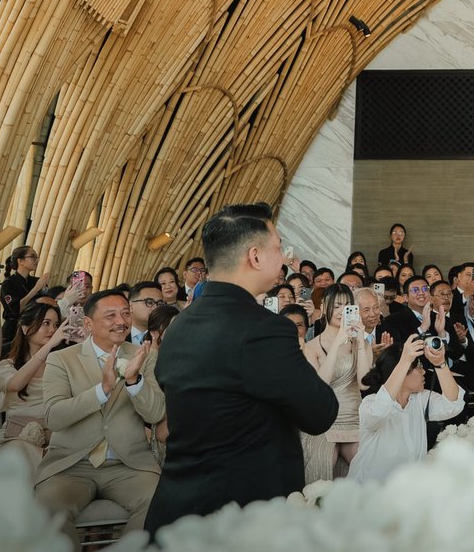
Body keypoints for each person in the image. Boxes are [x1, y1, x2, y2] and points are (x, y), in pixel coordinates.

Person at [145, 203, 338, 533]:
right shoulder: (264, 329)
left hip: (179, 506)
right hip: (241, 518)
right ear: (255, 256)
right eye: (278, 247)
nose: (282, 258)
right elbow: (320, 413)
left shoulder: (179, 326)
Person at [33, 288, 162, 552]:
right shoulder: (61, 359)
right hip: (71, 464)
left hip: (129, 465)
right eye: (111, 315)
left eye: (125, 314)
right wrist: (101, 391)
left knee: (161, 501)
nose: (121, 321)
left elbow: (155, 414)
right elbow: (54, 417)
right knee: (48, 509)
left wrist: (134, 381)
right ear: (88, 323)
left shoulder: (144, 356)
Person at [348, 337, 464, 481]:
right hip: (370, 489)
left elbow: (452, 406)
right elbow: (379, 413)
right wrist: (405, 360)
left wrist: (440, 364)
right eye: (418, 366)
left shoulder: (420, 399)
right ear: (401, 373)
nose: (423, 372)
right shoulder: (370, 404)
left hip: (406, 488)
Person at [301, 286, 375, 482]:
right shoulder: (311, 347)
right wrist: (337, 342)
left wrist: (360, 343)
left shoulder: (363, 344)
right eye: (337, 306)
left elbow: (364, 385)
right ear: (324, 306)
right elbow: (320, 385)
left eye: (348, 306)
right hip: (325, 420)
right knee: (323, 463)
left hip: (354, 419)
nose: (342, 311)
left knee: (366, 465)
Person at [0, 302, 74, 475]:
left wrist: (84, 343)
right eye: (46, 323)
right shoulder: (8, 365)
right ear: (25, 328)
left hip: (54, 437)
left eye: (56, 325)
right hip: (17, 436)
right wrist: (49, 346)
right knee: (18, 451)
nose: (52, 330)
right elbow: (15, 385)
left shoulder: (61, 364)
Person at [0, 246, 44, 348]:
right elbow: (16, 309)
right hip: (13, 331)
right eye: (32, 256)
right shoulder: (8, 283)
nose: (36, 260)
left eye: (37, 257)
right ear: (20, 261)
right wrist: (36, 289)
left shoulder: (36, 281)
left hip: (33, 329)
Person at [126, 281, 163, 345]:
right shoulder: (117, 334)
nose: (156, 307)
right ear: (130, 306)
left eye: (160, 304)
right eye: (149, 302)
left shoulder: (165, 336)